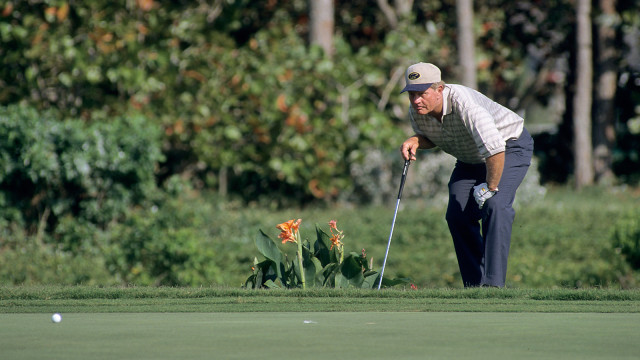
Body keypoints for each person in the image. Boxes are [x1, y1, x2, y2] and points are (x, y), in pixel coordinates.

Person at [399, 62, 533, 288]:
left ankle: (492, 287)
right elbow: (432, 135)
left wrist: (489, 188)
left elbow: (495, 149)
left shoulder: (467, 106)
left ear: (439, 89)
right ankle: (475, 287)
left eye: (422, 94)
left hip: (509, 147)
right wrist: (415, 140)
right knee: (457, 216)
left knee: (496, 205)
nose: (416, 100)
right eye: (411, 94)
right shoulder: (417, 111)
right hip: (471, 158)